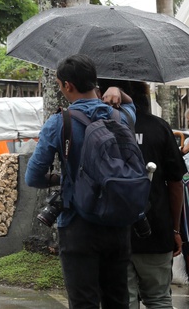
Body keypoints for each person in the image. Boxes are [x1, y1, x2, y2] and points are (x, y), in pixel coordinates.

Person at [25, 55, 137, 309]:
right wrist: (118, 91)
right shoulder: (122, 117)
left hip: (78, 223)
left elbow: (32, 176)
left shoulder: (59, 122)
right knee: (118, 300)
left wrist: (63, 177)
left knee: (83, 302)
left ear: (67, 86)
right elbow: (132, 105)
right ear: (93, 82)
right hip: (118, 222)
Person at [101, 78, 186, 309]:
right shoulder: (158, 127)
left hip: (112, 230)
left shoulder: (99, 127)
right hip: (156, 230)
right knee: (159, 299)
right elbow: (176, 181)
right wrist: (175, 229)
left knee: (124, 301)